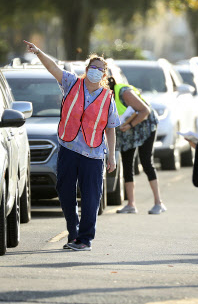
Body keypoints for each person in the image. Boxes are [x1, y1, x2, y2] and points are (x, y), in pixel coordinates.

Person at [23, 40, 119, 251]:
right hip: (68, 149)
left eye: (100, 69)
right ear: (86, 70)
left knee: (91, 198)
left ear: (104, 75)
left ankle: (85, 239)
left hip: (93, 154)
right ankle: (73, 231)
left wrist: (111, 156)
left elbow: (110, 128)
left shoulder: (107, 98)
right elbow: (53, 68)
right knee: (65, 192)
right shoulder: (72, 83)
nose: (96, 71)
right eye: (92, 68)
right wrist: (39, 52)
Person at [107, 76, 165, 214]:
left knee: (146, 161)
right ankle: (131, 204)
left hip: (145, 126)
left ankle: (158, 203)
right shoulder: (105, 98)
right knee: (127, 164)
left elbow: (145, 110)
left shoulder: (124, 92)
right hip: (126, 130)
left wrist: (130, 124)